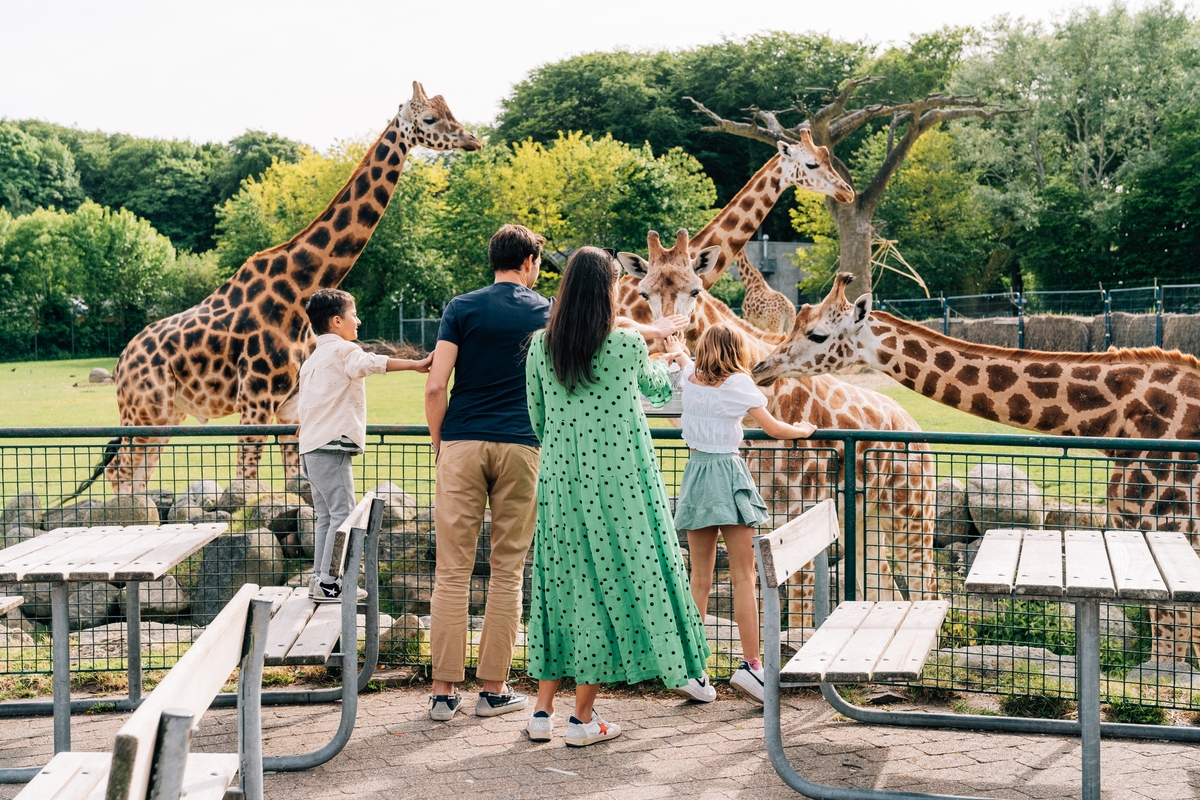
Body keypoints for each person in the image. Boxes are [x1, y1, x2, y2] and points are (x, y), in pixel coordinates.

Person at [424, 226, 685, 723]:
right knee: (508, 571)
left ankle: (441, 693)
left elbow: (438, 385)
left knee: (452, 571)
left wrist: (443, 444)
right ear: (528, 262)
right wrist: (655, 337)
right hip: (524, 447)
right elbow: (605, 328)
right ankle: (493, 689)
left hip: (462, 442)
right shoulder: (548, 314)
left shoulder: (460, 308)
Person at [523, 246, 710, 748]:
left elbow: (538, 418)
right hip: (622, 482)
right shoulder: (625, 344)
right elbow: (660, 389)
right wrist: (672, 354)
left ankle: (542, 711)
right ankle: (583, 720)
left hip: (561, 482)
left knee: (563, 586)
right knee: (611, 586)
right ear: (608, 290)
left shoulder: (540, 346)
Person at [666, 323, 814, 703]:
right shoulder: (737, 386)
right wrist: (803, 431)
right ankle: (751, 666)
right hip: (728, 475)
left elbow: (684, 363)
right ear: (735, 351)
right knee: (743, 577)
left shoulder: (692, 380)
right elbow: (774, 428)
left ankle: (693, 670)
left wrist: (677, 348)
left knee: (699, 579)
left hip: (696, 475)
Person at [298, 288, 432, 603]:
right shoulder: (343, 351)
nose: (357, 321)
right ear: (335, 321)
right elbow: (369, 363)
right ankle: (330, 581)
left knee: (326, 517)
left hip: (310, 449)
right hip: (329, 449)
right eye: (353, 315)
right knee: (343, 514)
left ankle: (321, 580)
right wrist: (415, 365)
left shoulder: (313, 360)